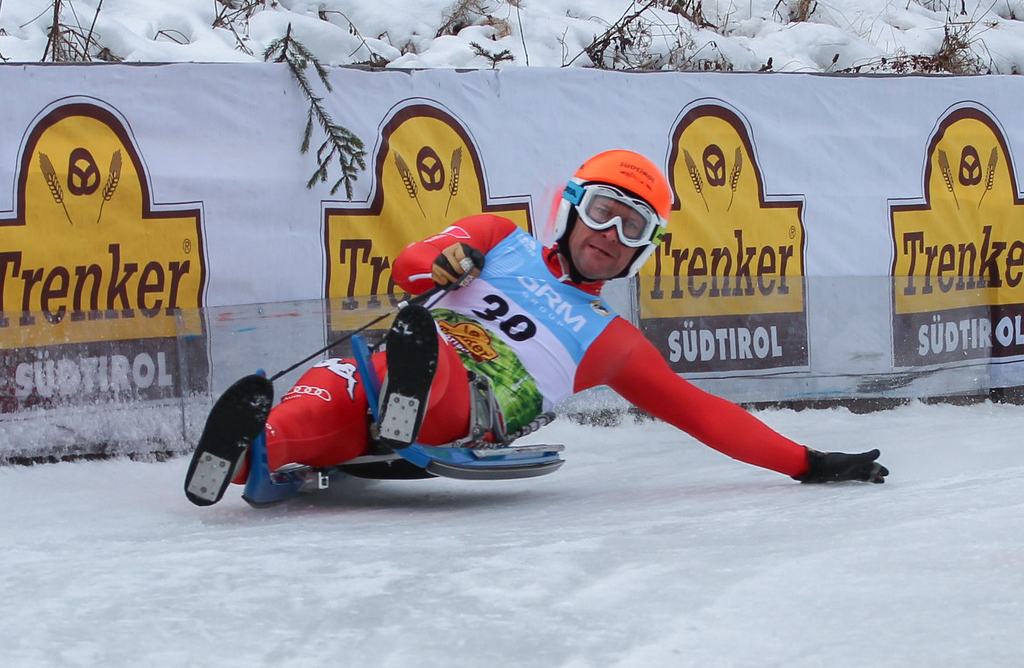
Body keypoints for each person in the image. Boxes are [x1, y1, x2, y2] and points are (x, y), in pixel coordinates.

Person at [186, 150, 887, 507]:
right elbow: (410, 265)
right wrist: (445, 260)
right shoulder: (499, 240)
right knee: (310, 406)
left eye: (632, 227)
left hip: (476, 401)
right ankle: (259, 462)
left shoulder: (611, 341)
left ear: (642, 249)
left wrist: (806, 461)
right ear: (572, 207)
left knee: (433, 360)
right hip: (382, 370)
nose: (610, 235)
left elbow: (702, 413)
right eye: (605, 211)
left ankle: (413, 389)